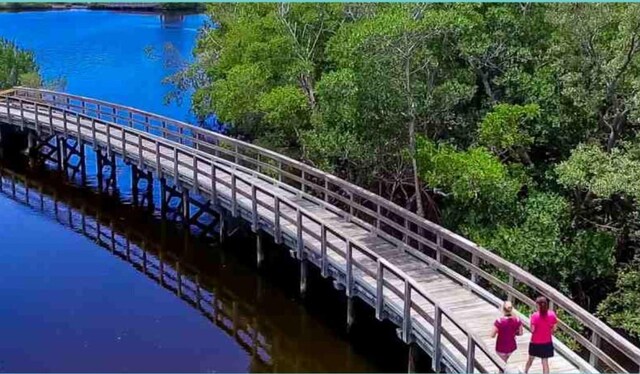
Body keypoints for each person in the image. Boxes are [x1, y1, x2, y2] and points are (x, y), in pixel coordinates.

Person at [524, 296, 558, 374]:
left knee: (530, 359)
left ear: (538, 305)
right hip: (547, 342)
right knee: (545, 362)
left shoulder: (534, 316)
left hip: (535, 342)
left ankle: (525, 372)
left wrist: (531, 320)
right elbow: (554, 329)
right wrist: (549, 331)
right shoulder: (552, 314)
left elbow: (532, 330)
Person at [492, 301, 523, 366]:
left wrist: (499, 331)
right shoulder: (517, 320)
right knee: (508, 365)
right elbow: (520, 333)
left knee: (502, 366)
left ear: (503, 309)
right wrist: (514, 332)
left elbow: (492, 335)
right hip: (512, 348)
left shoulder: (499, 321)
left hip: (501, 348)